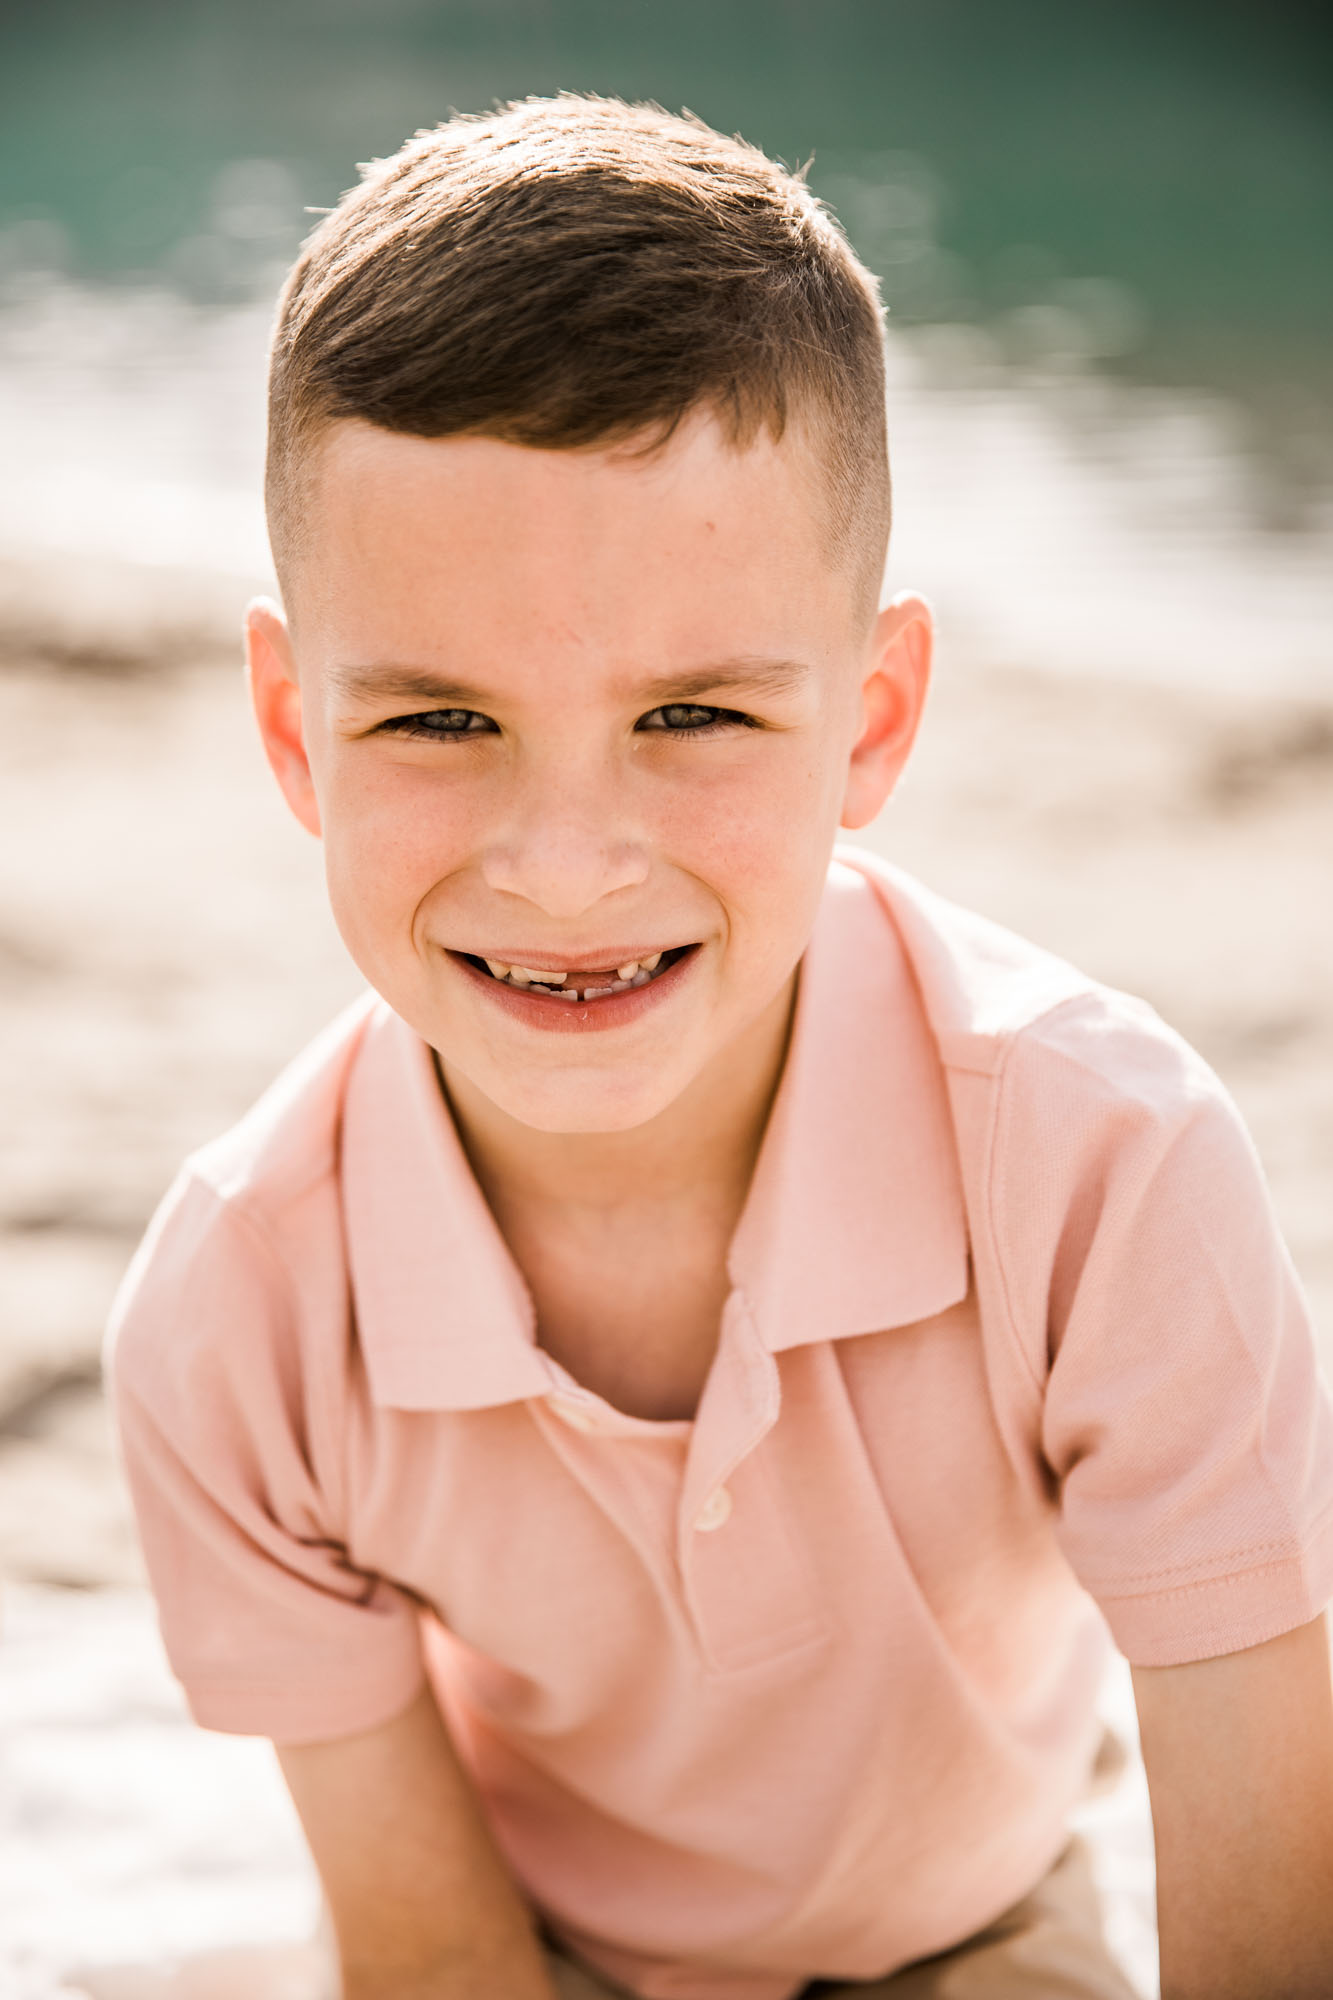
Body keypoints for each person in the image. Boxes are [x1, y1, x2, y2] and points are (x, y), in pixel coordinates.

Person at [107, 95, 1333, 2000]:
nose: (569, 862)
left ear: (872, 717)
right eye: (440, 721)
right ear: (291, 728)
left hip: (980, 1935)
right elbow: (430, 1955)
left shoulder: (1102, 1165)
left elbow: (1268, 1925)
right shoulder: (240, 1313)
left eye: (690, 712)